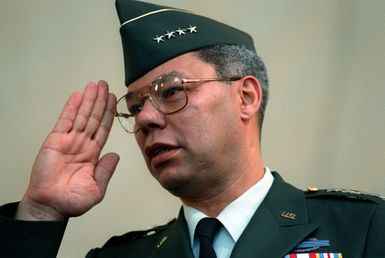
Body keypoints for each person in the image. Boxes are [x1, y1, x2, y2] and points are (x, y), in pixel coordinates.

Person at [1, 0, 384, 257]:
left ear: (246, 97)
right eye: (134, 106)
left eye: (170, 91)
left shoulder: (362, 228)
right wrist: (40, 214)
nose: (146, 119)